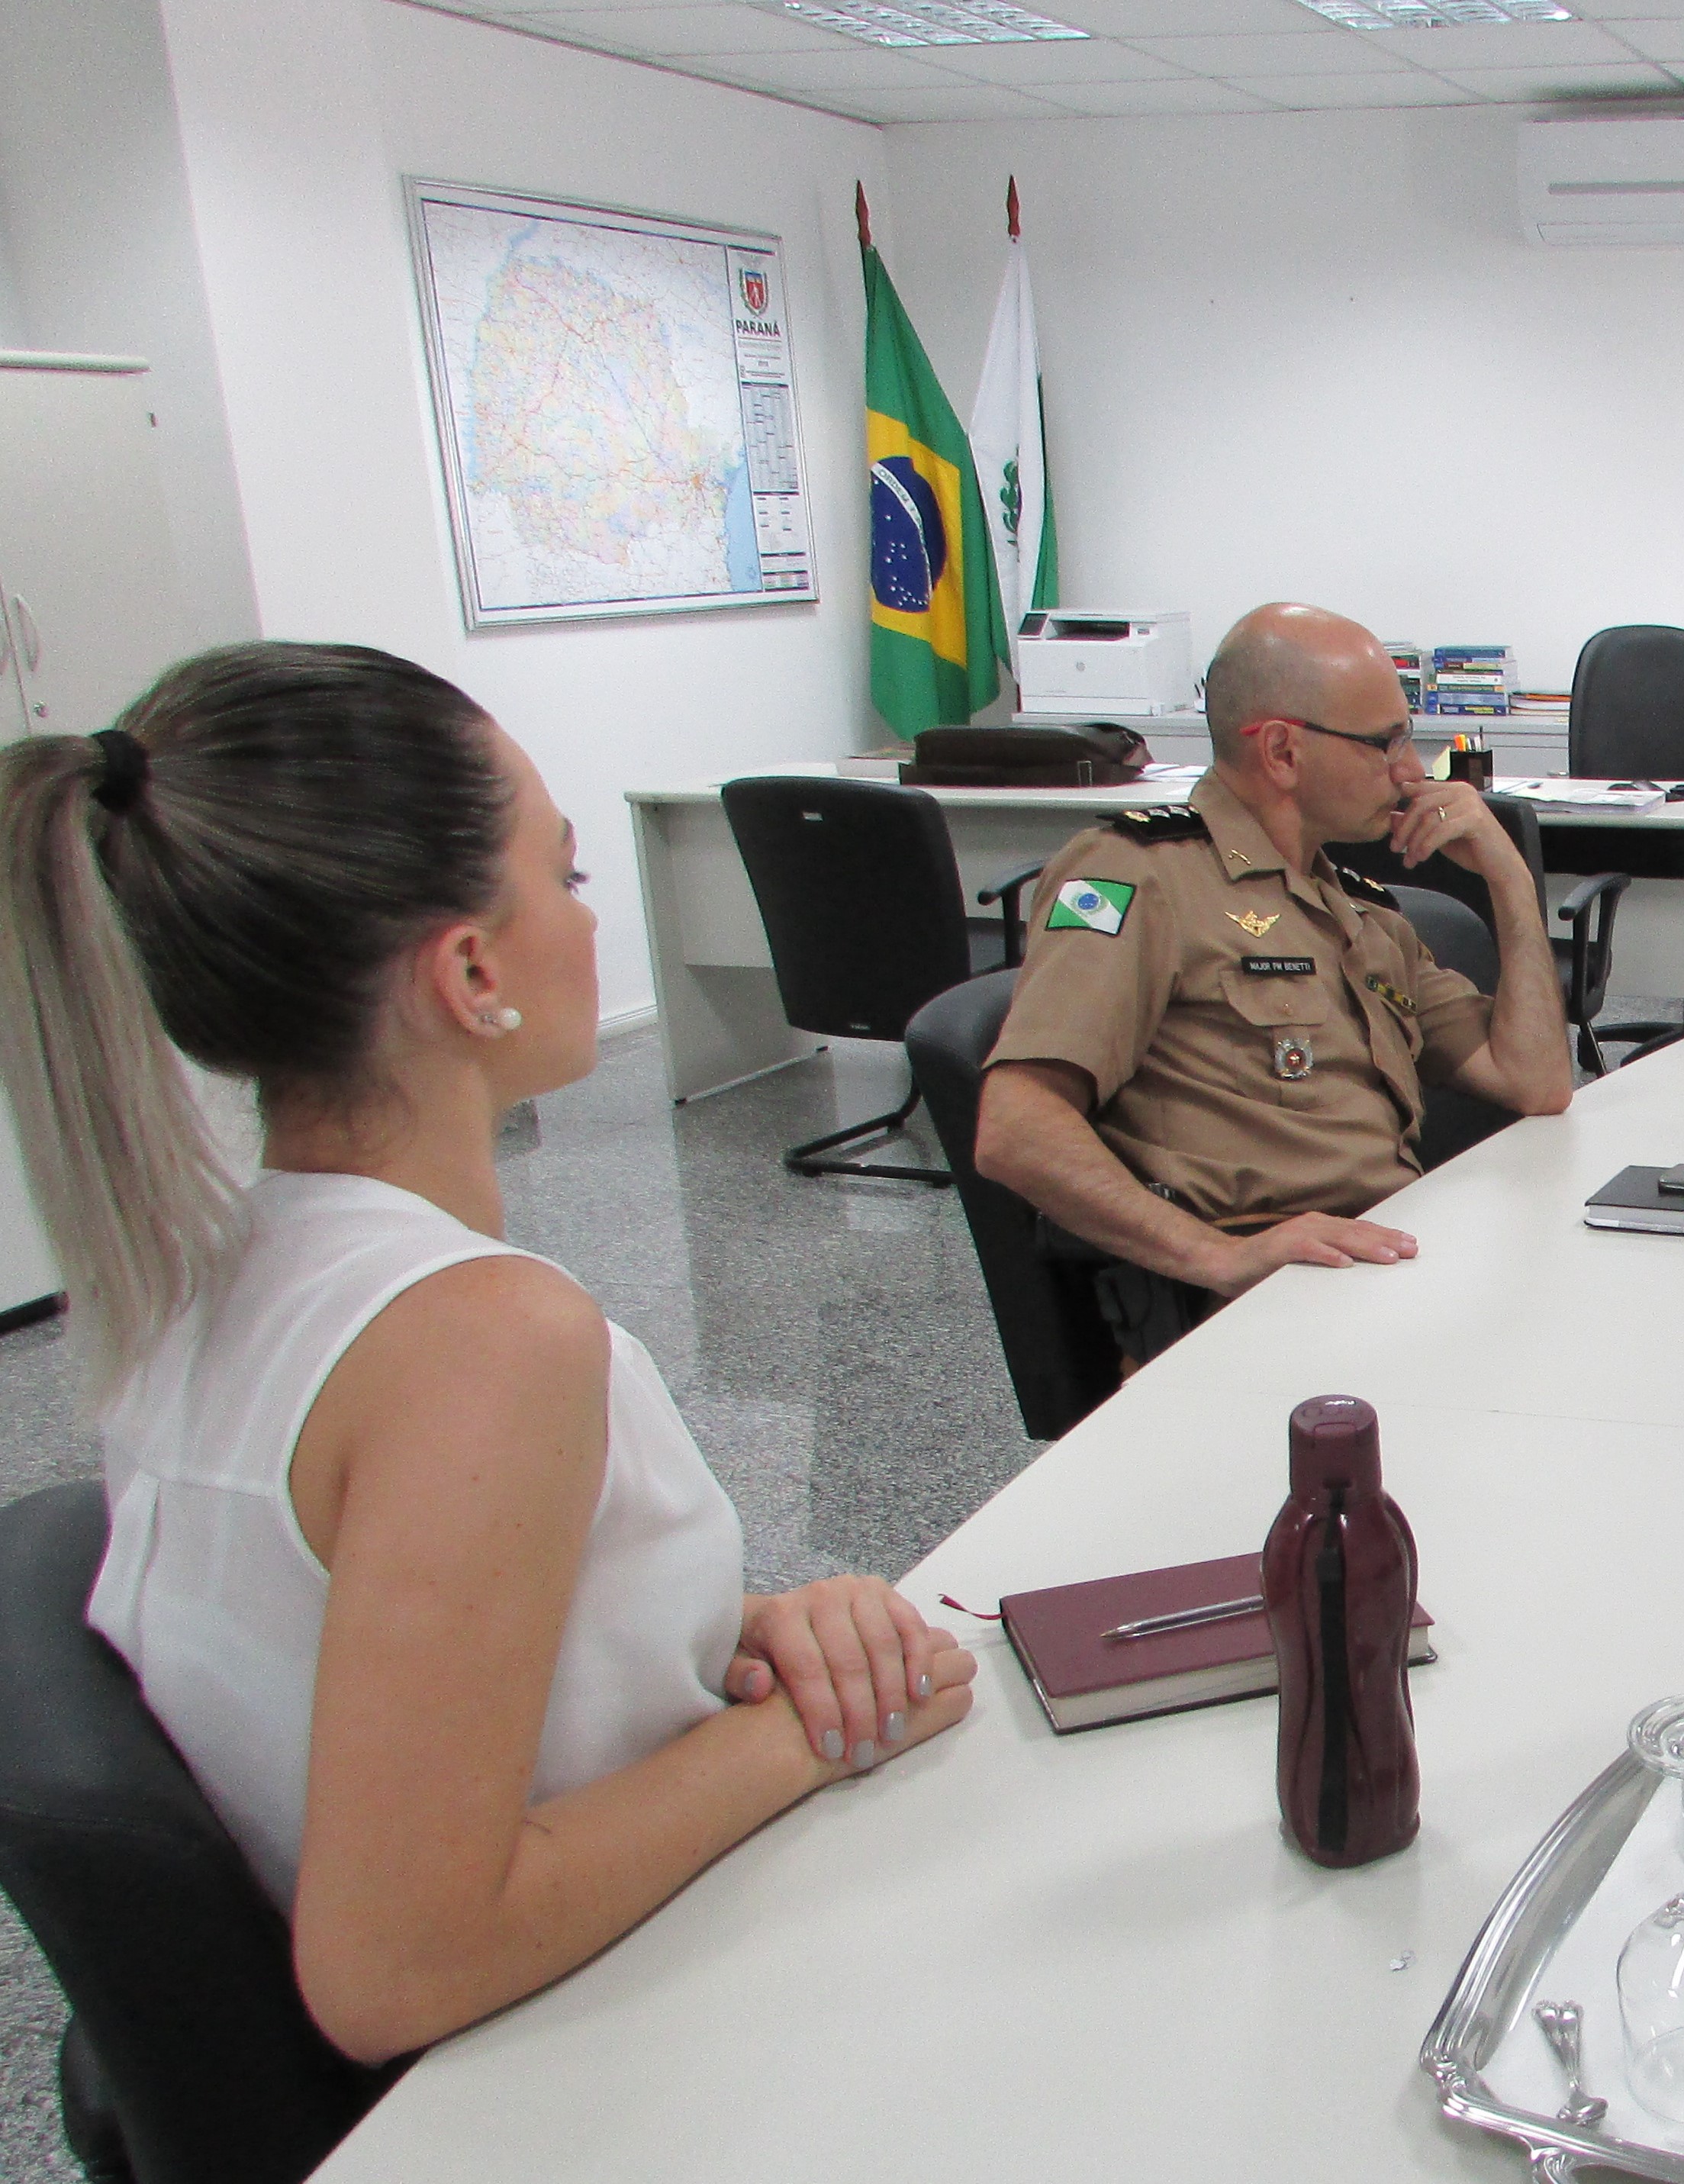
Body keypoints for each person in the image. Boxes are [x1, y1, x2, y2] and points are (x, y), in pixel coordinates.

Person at [0, 645, 977, 2063]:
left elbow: (381, 1617)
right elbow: (396, 1965)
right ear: (469, 970)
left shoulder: (207, 1259)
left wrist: (746, 1630)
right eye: (568, 879)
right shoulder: (478, 1337)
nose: (588, 926)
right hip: (568, 2059)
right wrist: (801, 1735)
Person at [973, 603, 1573, 1358]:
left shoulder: (1359, 912)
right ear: (1283, 751)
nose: (1413, 772)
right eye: (1385, 742)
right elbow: (1014, 1130)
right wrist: (1214, 1256)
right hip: (1260, 1320)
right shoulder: (1140, 877)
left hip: (1383, 1279)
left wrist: (1510, 877)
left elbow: (1537, 1083)